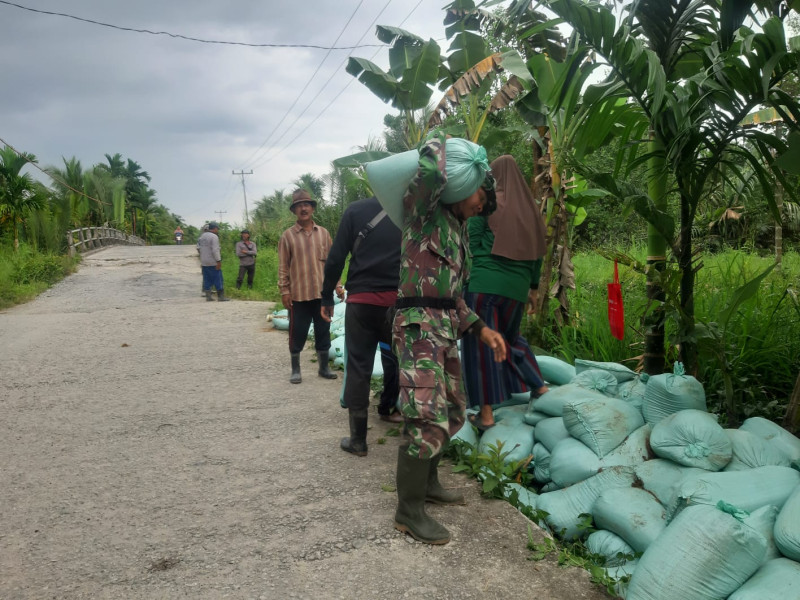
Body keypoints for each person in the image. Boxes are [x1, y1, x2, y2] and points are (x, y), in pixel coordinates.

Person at [375, 133, 507, 545]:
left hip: (445, 327)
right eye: (478, 200)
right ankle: (407, 511)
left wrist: (482, 329)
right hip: (418, 326)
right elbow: (431, 170)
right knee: (423, 412)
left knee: (450, 409)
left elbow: (453, 297)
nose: (478, 208)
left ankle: (428, 484)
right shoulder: (424, 212)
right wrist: (446, 144)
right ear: (464, 187)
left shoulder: (458, 230)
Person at [461, 154, 549, 431]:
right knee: (509, 338)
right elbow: (537, 254)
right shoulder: (531, 210)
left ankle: (485, 416)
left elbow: (472, 245)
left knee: (480, 346)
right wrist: (532, 289)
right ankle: (539, 387)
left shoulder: (486, 204)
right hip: (518, 289)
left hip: (484, 286)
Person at [320, 196, 403, 458]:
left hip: (362, 303)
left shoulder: (356, 210)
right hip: (400, 304)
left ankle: (358, 441)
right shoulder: (410, 209)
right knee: (405, 364)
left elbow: (336, 259)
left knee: (359, 367)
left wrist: (326, 298)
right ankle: (413, 437)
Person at [278, 189, 338, 384]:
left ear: (312, 208)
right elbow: (283, 266)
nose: (303, 208)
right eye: (299, 205)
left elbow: (332, 263)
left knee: (323, 331)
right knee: (297, 332)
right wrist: (285, 291)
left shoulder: (324, 234)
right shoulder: (287, 236)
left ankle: (323, 368)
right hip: (299, 296)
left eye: (306, 205)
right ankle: (295, 369)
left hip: (322, 296)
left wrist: (337, 285)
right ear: (294, 210)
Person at [197, 222, 230, 302]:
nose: (217, 230)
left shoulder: (202, 237)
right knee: (218, 278)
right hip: (212, 261)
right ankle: (220, 296)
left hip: (204, 261)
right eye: (217, 229)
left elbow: (199, 249)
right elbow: (215, 250)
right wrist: (218, 260)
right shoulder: (214, 237)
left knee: (207, 278)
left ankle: (208, 296)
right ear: (215, 228)